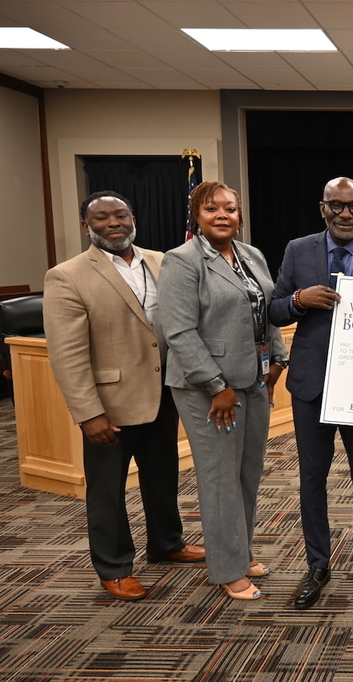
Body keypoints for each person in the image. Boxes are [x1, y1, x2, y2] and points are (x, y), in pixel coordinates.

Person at [43, 190, 204, 601]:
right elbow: (67, 353)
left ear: (133, 218)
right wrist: (87, 413)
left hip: (163, 393)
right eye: (101, 218)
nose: (113, 223)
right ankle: (114, 567)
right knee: (108, 490)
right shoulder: (67, 275)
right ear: (86, 226)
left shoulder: (163, 261)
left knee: (162, 478)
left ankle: (167, 543)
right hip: (109, 406)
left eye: (120, 215)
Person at [269, 177, 353, 607]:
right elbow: (273, 308)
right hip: (311, 384)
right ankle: (317, 563)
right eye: (336, 206)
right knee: (312, 479)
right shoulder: (297, 250)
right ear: (321, 208)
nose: (346, 214)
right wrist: (299, 301)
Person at [159, 181, 287, 601]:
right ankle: (227, 568)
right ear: (196, 214)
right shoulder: (182, 261)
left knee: (247, 472)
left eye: (230, 209)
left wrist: (277, 360)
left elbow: (268, 310)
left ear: (239, 216)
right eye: (212, 208)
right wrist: (216, 386)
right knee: (219, 479)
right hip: (208, 390)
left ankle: (239, 550)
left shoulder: (251, 255)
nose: (222, 215)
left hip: (253, 380)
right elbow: (178, 331)